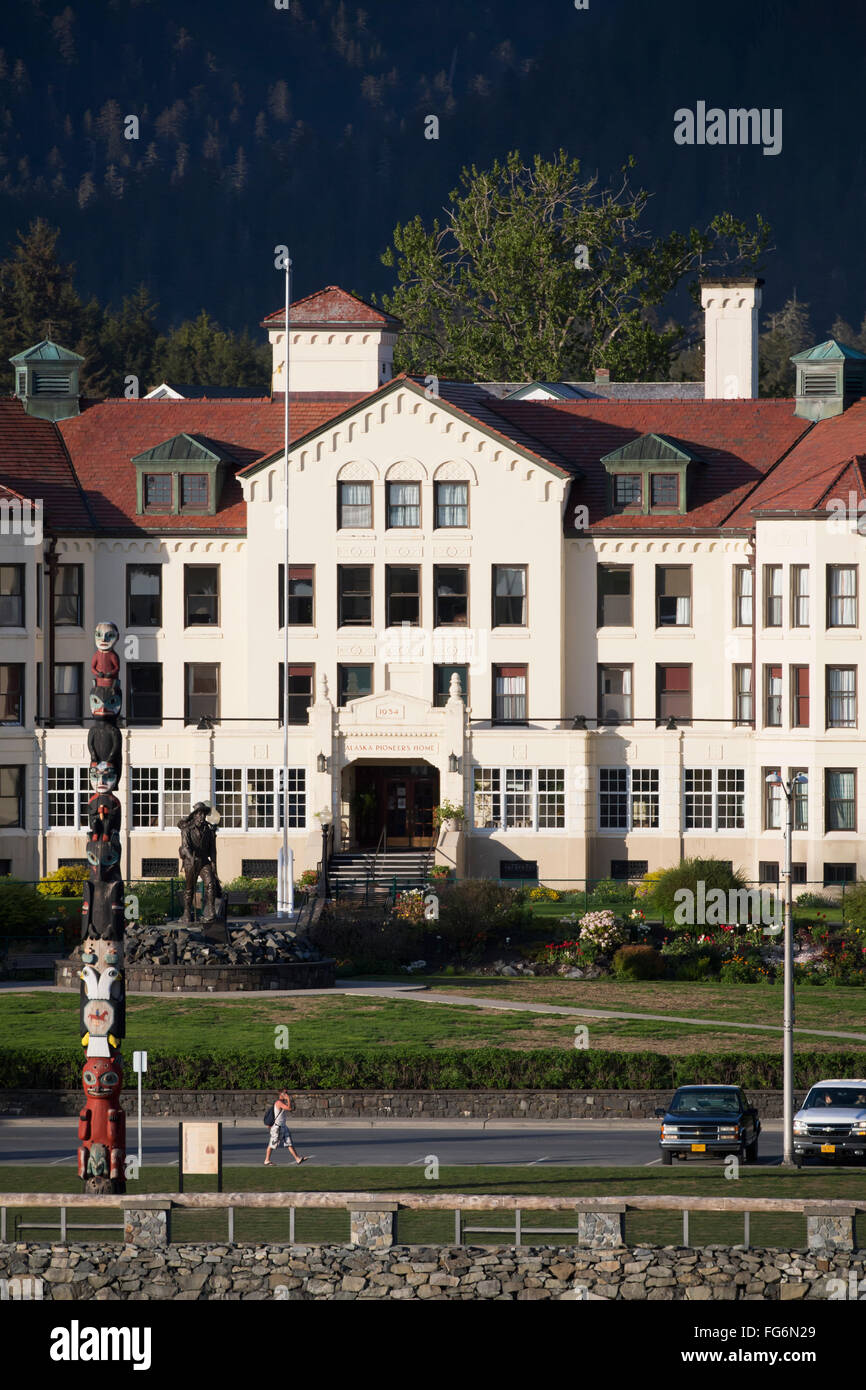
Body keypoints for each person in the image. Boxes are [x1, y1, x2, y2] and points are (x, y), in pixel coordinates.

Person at [264, 1089, 307, 1166]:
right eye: (285, 1093)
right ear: (281, 1094)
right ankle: (267, 1160)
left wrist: (287, 1100)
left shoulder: (282, 1102)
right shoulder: (279, 1102)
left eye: (287, 1093)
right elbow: (289, 1108)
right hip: (277, 1128)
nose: (287, 1094)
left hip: (283, 1126)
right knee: (272, 1144)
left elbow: (290, 1108)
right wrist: (288, 1099)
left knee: (289, 1142)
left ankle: (297, 1159)